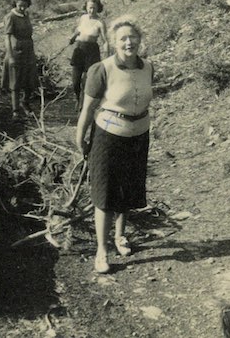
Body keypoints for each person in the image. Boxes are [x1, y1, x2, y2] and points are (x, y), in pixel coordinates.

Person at [75, 15, 153, 274]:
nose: (128, 42)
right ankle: (102, 251)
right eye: (122, 38)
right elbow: (87, 109)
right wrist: (80, 138)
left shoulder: (148, 67)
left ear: (140, 40)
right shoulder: (102, 69)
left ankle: (120, 237)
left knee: (128, 189)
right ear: (113, 42)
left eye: (132, 37)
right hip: (108, 136)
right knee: (105, 194)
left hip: (139, 135)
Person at [2, 0, 38, 119]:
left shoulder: (26, 15)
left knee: (30, 80)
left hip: (28, 52)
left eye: (25, 5)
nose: (22, 8)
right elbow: (7, 37)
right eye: (20, 5)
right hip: (16, 52)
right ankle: (15, 110)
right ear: (16, 3)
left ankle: (25, 103)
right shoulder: (10, 17)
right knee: (15, 81)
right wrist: (10, 56)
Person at [69, 0, 109, 111]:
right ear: (86, 8)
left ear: (98, 8)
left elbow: (105, 40)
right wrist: (72, 37)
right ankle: (78, 98)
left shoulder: (100, 22)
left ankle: (83, 104)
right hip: (79, 49)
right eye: (90, 8)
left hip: (92, 52)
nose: (92, 10)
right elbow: (78, 30)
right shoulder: (82, 18)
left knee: (86, 80)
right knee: (75, 81)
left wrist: (107, 54)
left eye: (94, 8)